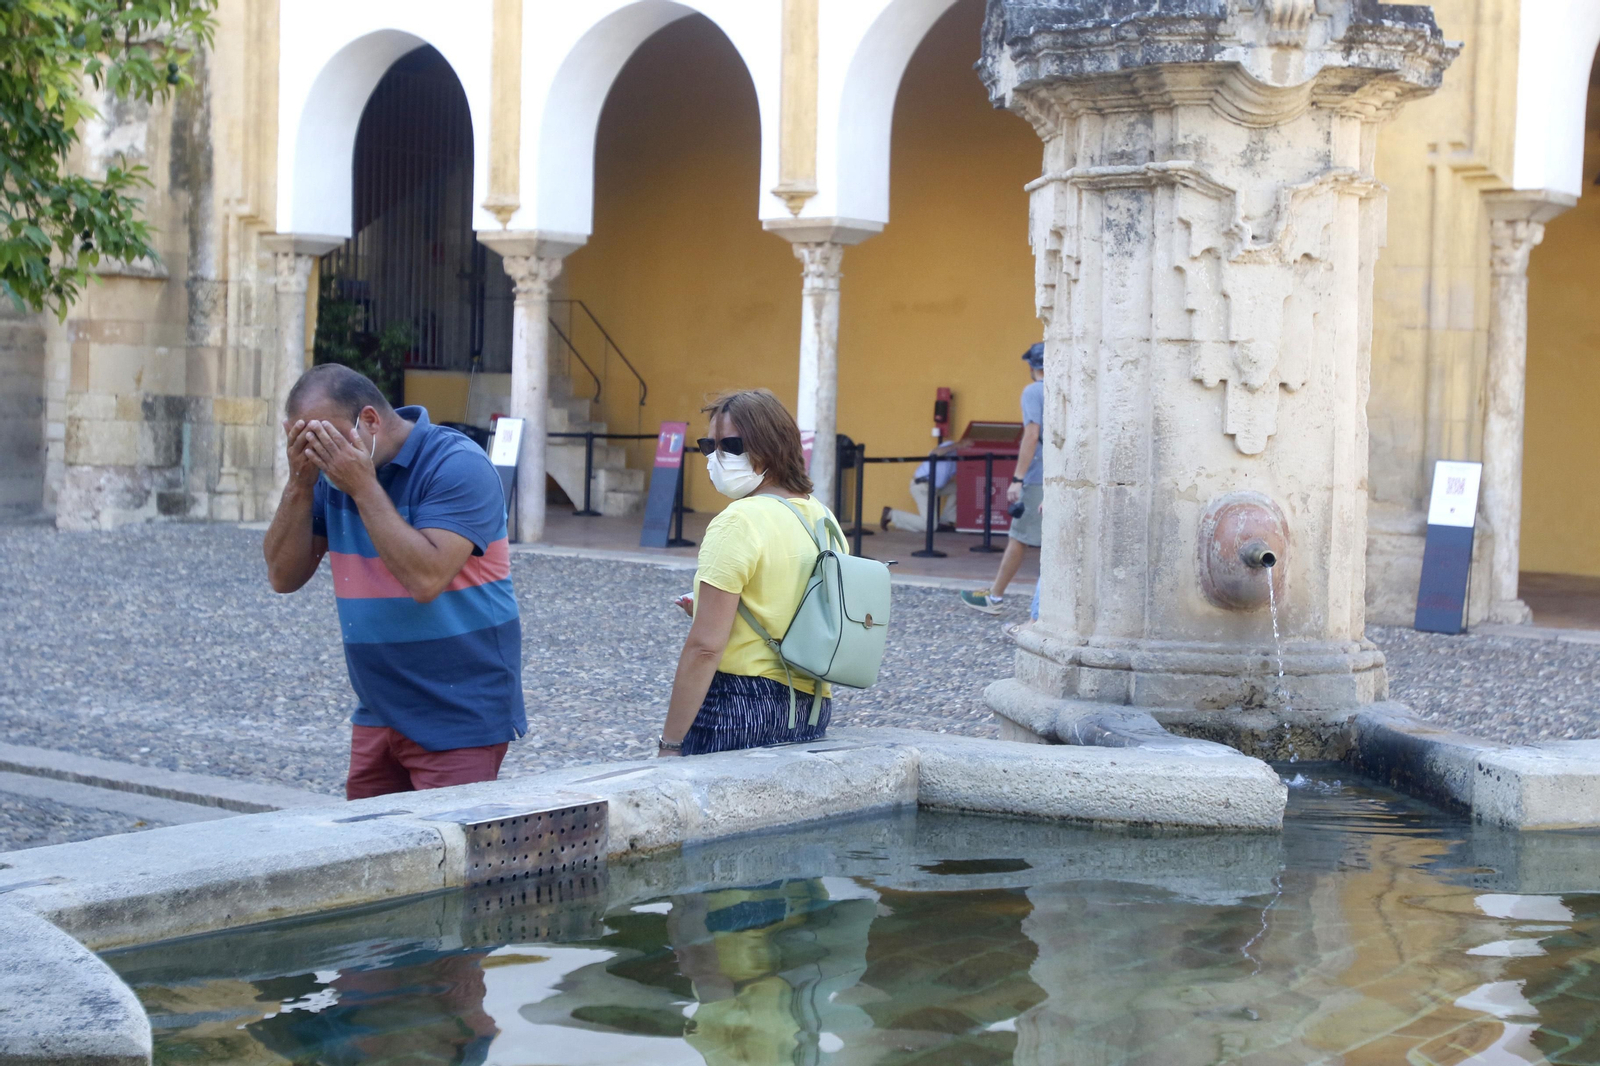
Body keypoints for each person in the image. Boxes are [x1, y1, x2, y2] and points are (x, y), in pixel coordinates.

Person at [263, 363, 525, 799]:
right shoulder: (332, 476)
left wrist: (363, 488)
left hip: (460, 712)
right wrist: (299, 483)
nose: (319, 453)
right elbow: (282, 576)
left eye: (325, 439)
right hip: (378, 708)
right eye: (303, 441)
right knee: (372, 854)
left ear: (369, 421)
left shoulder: (457, 464)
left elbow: (426, 578)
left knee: (447, 856)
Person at [658, 388, 841, 757]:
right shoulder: (822, 516)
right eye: (709, 446)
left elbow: (705, 648)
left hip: (737, 704)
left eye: (732, 445)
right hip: (811, 705)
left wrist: (670, 743)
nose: (717, 457)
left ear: (770, 446)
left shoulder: (738, 521)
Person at [961, 343, 1045, 614]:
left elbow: (1032, 434)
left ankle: (994, 597)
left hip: (1039, 474)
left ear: (1032, 367)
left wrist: (1018, 478)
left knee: (1019, 536)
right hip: (1059, 473)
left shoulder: (1034, 391)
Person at [880, 440, 958, 533]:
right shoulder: (950, 445)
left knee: (959, 489)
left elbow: (951, 476)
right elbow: (934, 452)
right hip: (922, 485)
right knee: (930, 526)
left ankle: (944, 522)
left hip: (935, 487)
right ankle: (891, 514)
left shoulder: (958, 459)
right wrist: (958, 445)